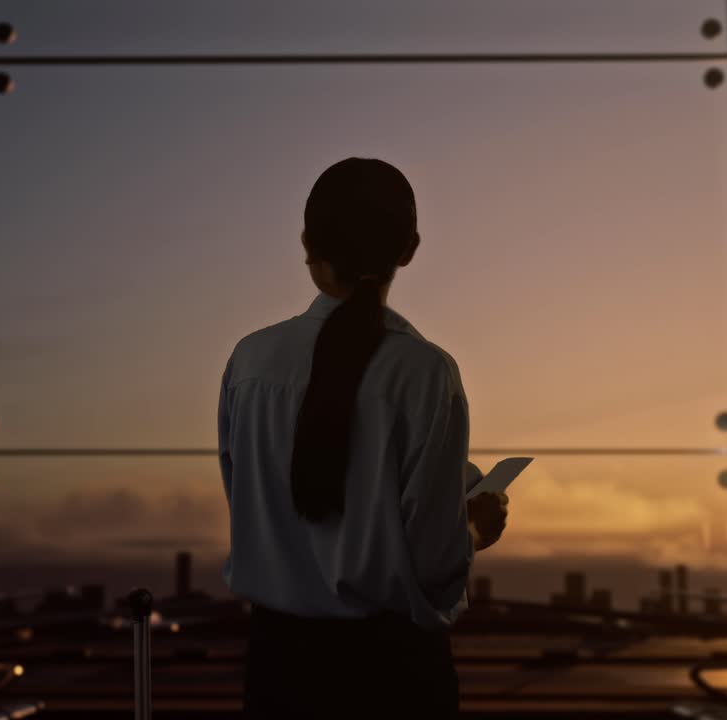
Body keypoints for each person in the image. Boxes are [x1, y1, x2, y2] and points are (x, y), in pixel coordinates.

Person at [218, 157, 509, 718]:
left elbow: (251, 504)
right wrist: (472, 529)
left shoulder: (249, 363)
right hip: (392, 675)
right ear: (409, 249)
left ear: (307, 245)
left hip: (277, 670)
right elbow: (432, 562)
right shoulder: (425, 373)